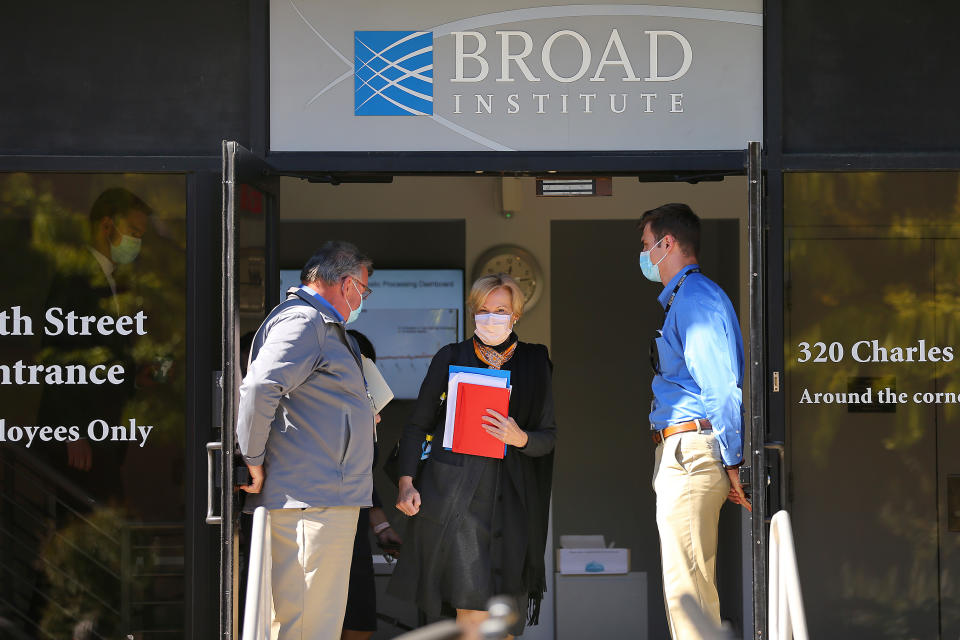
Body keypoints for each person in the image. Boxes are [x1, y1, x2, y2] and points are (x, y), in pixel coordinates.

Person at [389, 273, 556, 639]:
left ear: (516, 315)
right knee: (472, 613)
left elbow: (549, 438)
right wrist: (405, 482)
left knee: (507, 618)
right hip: (459, 502)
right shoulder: (451, 357)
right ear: (472, 313)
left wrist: (521, 437)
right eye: (483, 310)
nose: (491, 317)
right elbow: (417, 426)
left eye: (501, 310)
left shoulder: (534, 361)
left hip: (513, 504)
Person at [236, 241, 376, 640]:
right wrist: (253, 459)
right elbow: (261, 386)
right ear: (346, 284)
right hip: (308, 501)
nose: (361, 299)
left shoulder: (320, 324)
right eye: (362, 291)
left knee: (315, 624)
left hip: (322, 498)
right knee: (303, 626)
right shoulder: (305, 321)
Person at [637, 203, 751, 639]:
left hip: (691, 451)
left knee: (688, 593)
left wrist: (733, 459)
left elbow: (720, 387)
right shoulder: (692, 298)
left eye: (647, 246)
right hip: (691, 451)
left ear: (667, 244)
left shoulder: (695, 299)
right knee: (691, 586)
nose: (645, 256)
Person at [342, 329, 402, 640]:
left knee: (359, 625)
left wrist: (380, 526)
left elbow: (362, 474)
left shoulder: (367, 408)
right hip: (324, 525)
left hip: (355, 532)